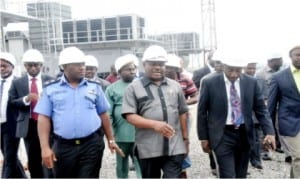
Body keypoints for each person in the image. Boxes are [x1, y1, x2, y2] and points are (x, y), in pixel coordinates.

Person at [34, 47, 118, 178]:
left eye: (83, 64)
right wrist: (45, 148)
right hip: (63, 147)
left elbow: (103, 114)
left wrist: (111, 140)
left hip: (91, 144)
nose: (82, 67)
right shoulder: (51, 89)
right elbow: (43, 118)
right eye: (78, 64)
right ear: (65, 66)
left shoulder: (94, 86)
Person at [197, 55, 276, 178]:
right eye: (230, 70)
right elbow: (202, 112)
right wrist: (203, 138)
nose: (234, 74)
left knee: (241, 174)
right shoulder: (209, 82)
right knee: (227, 175)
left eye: (238, 70)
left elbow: (261, 109)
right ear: (223, 66)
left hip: (244, 134)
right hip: (222, 135)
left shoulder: (251, 82)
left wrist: (269, 132)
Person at [122, 45, 189, 178]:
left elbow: (182, 112)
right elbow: (130, 116)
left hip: (174, 146)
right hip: (148, 148)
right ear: (144, 64)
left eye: (161, 64)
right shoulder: (133, 88)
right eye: (153, 64)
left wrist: (186, 139)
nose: (158, 67)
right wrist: (155, 124)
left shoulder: (175, 86)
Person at [9, 49, 53, 178]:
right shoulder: (18, 82)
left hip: (48, 124)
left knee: (50, 154)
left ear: (41, 65)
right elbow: (12, 102)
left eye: (36, 65)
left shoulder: (50, 80)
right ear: (25, 66)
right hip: (30, 125)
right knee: (33, 158)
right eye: (30, 65)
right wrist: (26, 99)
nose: (33, 68)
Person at [105, 54, 142, 178]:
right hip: (120, 134)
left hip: (140, 134)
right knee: (121, 166)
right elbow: (108, 114)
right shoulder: (111, 89)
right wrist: (111, 134)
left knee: (140, 164)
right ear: (119, 71)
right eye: (128, 69)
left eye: (134, 69)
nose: (132, 71)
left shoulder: (142, 86)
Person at [268, 45, 300, 178]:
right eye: (297, 55)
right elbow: (271, 105)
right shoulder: (278, 77)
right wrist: (269, 131)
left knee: (297, 160)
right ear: (290, 57)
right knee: (299, 156)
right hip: (290, 122)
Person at [165, 54, 198, 178]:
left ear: (177, 69)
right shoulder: (158, 81)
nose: (169, 70)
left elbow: (195, 96)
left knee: (182, 142)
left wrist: (183, 103)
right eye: (167, 67)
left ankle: (182, 169)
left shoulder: (184, 79)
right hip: (164, 118)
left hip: (183, 116)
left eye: (172, 68)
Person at [256, 53, 291, 161]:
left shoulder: (283, 72)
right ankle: (264, 151)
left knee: (282, 127)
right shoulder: (261, 74)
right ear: (271, 61)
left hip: (281, 104)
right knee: (265, 127)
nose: (281, 61)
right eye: (279, 59)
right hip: (266, 104)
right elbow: (258, 92)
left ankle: (288, 153)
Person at [0, 52, 26, 178]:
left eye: (4, 66)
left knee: (9, 159)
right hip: (0, 125)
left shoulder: (17, 83)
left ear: (12, 67)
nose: (2, 69)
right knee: (9, 155)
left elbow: (22, 103)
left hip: (12, 125)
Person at [244, 61, 268, 169]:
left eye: (253, 68)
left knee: (257, 139)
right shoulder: (240, 81)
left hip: (256, 116)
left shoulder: (259, 80)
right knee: (244, 140)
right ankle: (244, 163)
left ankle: (256, 160)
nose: (252, 71)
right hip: (244, 117)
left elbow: (263, 99)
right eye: (249, 68)